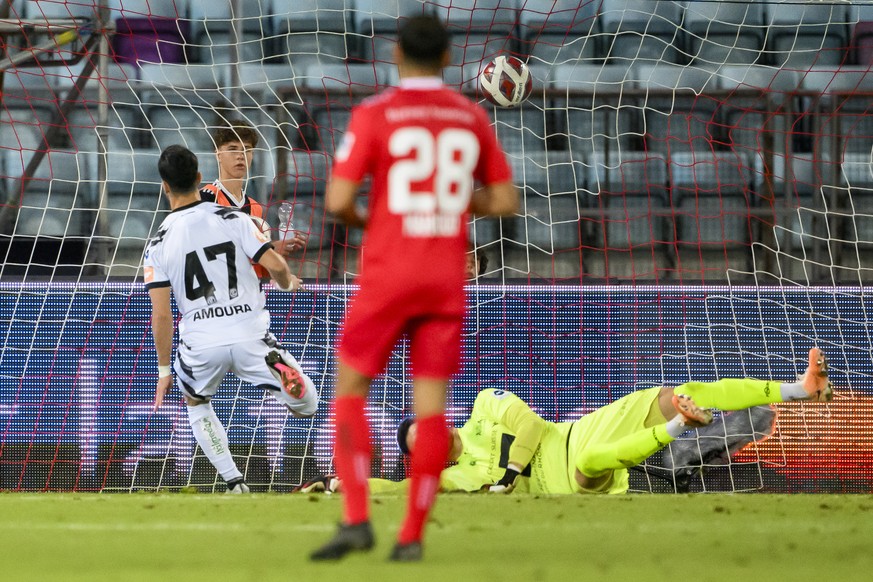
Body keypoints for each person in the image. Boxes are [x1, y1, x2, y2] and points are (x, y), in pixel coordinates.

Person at [309, 14, 519, 562]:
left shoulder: (376, 113)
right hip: (446, 278)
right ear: (449, 58)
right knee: (431, 410)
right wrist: (447, 206)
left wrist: (381, 216)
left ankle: (356, 518)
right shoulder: (470, 116)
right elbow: (503, 201)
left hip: (389, 273)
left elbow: (336, 203)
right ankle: (412, 535)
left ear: (396, 54)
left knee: (350, 391)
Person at [303, 348, 831, 496]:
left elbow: (529, 426)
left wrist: (508, 477)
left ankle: (798, 389)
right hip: (570, 480)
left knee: (676, 393)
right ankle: (676, 436)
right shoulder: (445, 480)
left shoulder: (485, 405)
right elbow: (386, 491)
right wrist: (332, 483)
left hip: (583, 430)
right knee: (589, 463)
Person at [145, 145, 318, 493]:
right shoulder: (237, 219)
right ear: (199, 178)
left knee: (196, 401)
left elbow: (161, 314)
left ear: (165, 186)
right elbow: (278, 267)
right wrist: (287, 284)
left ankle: (234, 482)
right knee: (307, 406)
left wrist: (165, 371)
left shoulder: (158, 242)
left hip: (201, 342)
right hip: (249, 334)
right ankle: (281, 370)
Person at [199, 119, 307, 280]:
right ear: (218, 154)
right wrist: (269, 249)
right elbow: (207, 251)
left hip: (252, 294)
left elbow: (258, 262)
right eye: (232, 149)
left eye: (247, 150)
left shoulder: (255, 206)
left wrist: (278, 254)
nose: (240, 156)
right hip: (219, 294)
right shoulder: (206, 198)